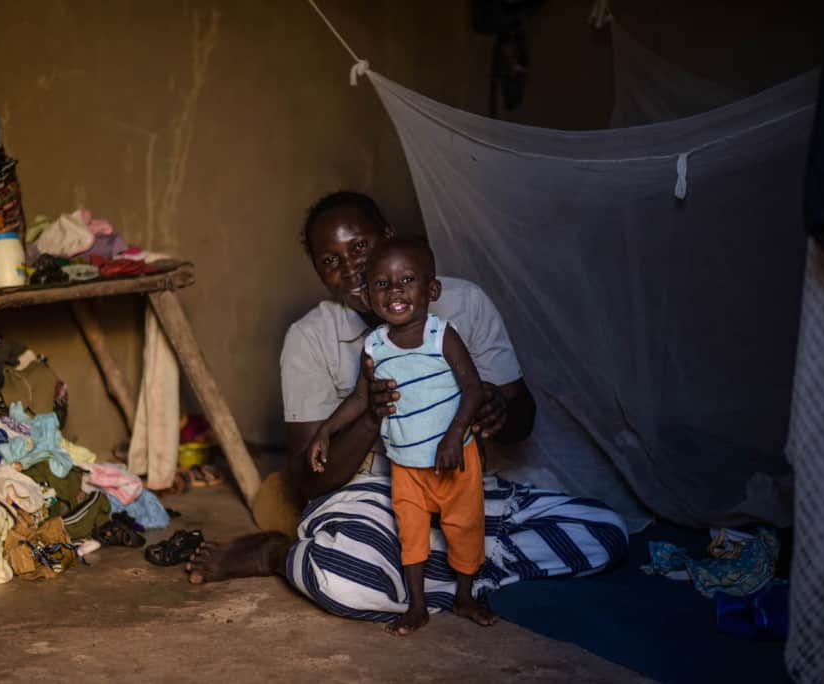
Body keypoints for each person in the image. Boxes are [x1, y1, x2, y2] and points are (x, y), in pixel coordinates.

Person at [186, 191, 628, 631]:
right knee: (340, 573)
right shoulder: (311, 338)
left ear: (389, 238)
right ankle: (278, 554)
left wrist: (496, 408)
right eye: (330, 260)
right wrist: (372, 414)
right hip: (376, 498)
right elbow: (308, 483)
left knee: (605, 532)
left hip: (465, 485)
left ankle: (455, 571)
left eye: (360, 247)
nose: (352, 268)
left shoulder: (463, 303)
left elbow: (522, 422)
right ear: (319, 273)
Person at [307, 238, 493, 635]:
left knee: (464, 528)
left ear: (431, 290)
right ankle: (417, 605)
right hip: (406, 466)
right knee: (411, 535)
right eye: (382, 284)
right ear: (369, 294)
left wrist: (453, 435)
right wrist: (325, 430)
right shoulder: (374, 346)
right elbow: (360, 398)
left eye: (407, 280)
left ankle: (463, 597)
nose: (394, 291)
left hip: (454, 461)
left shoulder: (441, 336)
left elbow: (473, 389)